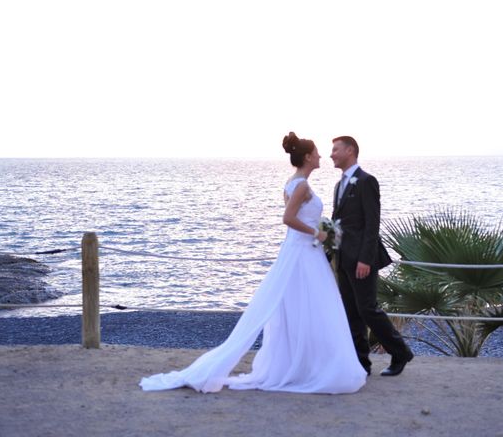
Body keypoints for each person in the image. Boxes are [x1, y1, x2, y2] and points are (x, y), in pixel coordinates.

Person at [139, 132, 366, 394]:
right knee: (316, 307)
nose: (320, 156)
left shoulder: (294, 183)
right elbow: (288, 219)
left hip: (300, 252)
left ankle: (303, 364)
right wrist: (318, 233)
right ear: (306, 157)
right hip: (303, 253)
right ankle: (309, 367)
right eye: (316, 153)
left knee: (303, 309)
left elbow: (298, 217)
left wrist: (319, 229)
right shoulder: (301, 185)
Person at [330, 135, 413, 377]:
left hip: (361, 259)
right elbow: (340, 222)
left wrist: (365, 259)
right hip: (343, 258)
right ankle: (361, 363)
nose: (332, 154)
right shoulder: (339, 185)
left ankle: (400, 353)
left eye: (336, 149)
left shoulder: (367, 181)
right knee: (351, 311)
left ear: (350, 151)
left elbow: (372, 223)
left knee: (368, 309)